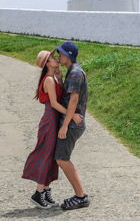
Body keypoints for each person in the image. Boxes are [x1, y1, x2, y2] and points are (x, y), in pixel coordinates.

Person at [23, 50, 82, 208]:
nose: (56, 58)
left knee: (52, 156)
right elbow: (55, 104)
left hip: (55, 119)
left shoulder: (54, 77)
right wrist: (73, 114)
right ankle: (38, 193)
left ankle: (46, 192)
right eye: (52, 58)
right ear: (47, 64)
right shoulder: (48, 79)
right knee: (47, 154)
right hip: (50, 120)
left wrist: (60, 78)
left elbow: (61, 95)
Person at [54, 41, 90, 210]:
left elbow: (74, 100)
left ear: (67, 55)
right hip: (71, 123)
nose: (58, 57)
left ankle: (80, 197)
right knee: (62, 158)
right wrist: (61, 80)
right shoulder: (72, 72)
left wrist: (64, 125)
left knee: (62, 159)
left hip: (71, 125)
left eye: (60, 54)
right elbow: (68, 97)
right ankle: (80, 196)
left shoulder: (75, 73)